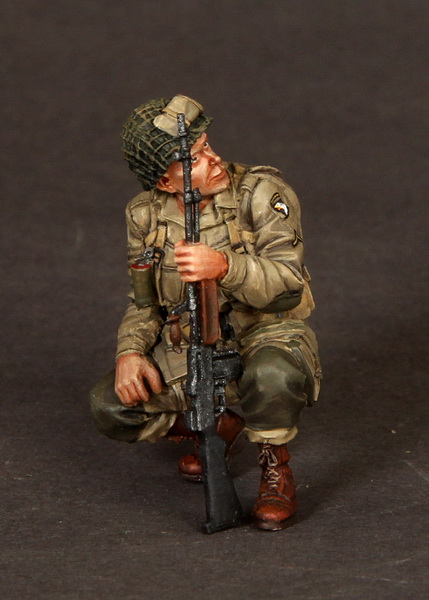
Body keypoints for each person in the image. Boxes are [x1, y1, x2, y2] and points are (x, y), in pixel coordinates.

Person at [90, 94, 322, 531]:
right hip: (191, 337)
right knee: (111, 407)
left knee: (272, 375)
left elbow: (288, 282)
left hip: (265, 329)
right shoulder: (145, 216)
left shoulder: (260, 193)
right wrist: (130, 352)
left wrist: (226, 267)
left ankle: (275, 464)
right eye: (194, 159)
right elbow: (145, 302)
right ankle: (215, 425)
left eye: (208, 146)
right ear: (165, 181)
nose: (214, 160)